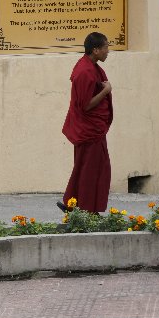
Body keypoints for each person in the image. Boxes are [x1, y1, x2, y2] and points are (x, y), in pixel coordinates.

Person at [59, 32, 113, 214]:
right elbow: (86, 106)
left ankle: (75, 205)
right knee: (90, 170)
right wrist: (106, 90)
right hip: (88, 129)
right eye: (105, 47)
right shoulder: (85, 71)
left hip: (94, 129)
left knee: (92, 168)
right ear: (95, 50)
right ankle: (85, 209)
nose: (108, 51)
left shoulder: (91, 66)